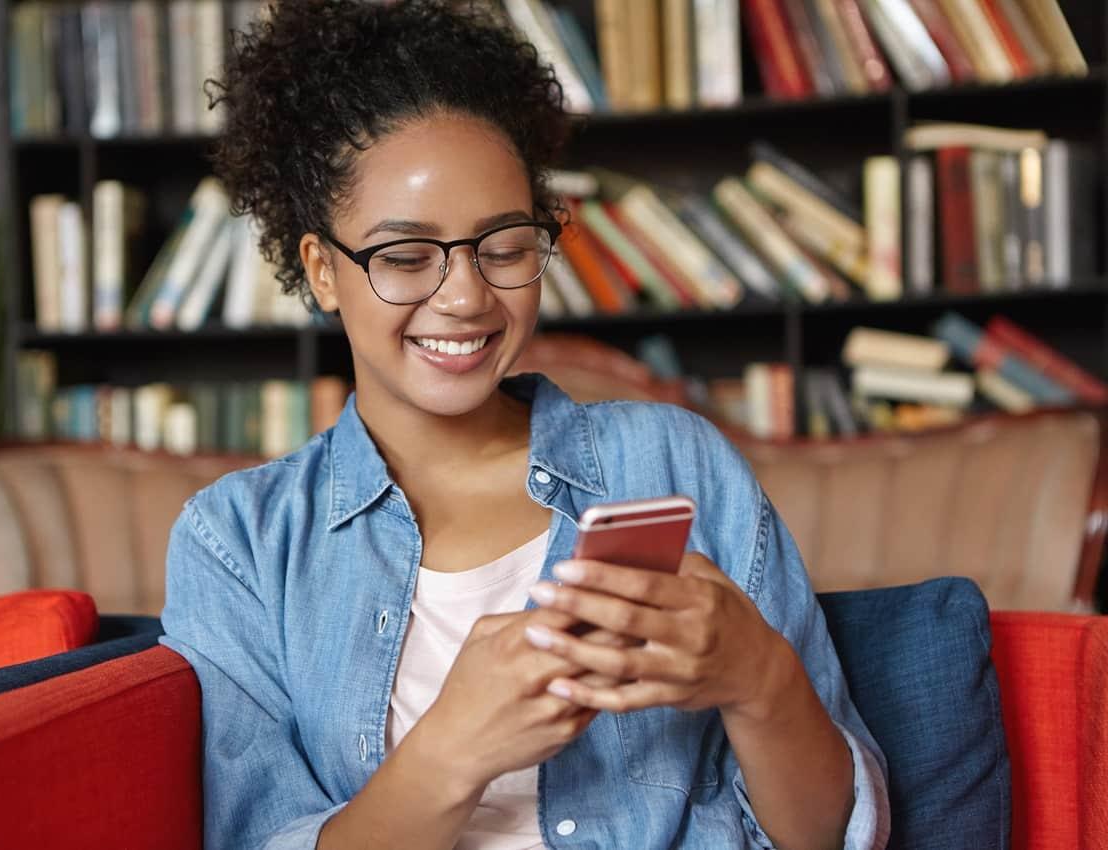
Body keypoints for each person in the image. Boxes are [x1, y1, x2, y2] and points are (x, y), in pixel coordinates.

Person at [159, 2, 890, 849]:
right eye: (405, 257)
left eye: (504, 246)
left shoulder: (672, 461)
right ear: (323, 270)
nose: (466, 296)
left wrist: (760, 678)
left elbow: (829, 838)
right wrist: (447, 756)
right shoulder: (239, 543)